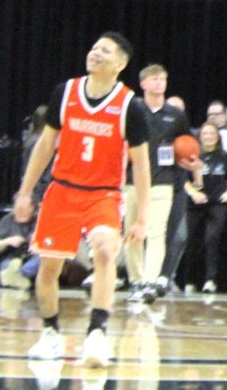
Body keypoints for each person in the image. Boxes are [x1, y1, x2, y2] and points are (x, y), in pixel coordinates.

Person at [17, 34, 152, 369]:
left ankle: (97, 333)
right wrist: (24, 192)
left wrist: (142, 216)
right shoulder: (65, 92)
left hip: (103, 194)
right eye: (93, 48)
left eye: (104, 51)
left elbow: (142, 163)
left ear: (120, 64)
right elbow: (45, 146)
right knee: (49, 268)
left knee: (106, 250)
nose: (95, 53)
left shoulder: (129, 106)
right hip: (62, 190)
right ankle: (50, 334)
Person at [124, 64, 190, 304]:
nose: (159, 82)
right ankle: (136, 280)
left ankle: (151, 281)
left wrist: (188, 160)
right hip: (132, 182)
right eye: (154, 78)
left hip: (163, 181)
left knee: (157, 232)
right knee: (133, 232)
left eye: (163, 78)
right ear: (143, 84)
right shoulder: (133, 109)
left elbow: (185, 145)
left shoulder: (176, 114)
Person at [184, 122, 227, 293]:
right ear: (200, 136)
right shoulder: (193, 155)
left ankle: (210, 280)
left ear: (217, 136)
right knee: (191, 241)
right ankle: (190, 280)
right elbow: (184, 180)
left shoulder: (224, 156)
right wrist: (193, 193)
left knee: (212, 239)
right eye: (205, 133)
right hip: (196, 203)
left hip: (217, 203)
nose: (208, 136)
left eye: (211, 133)